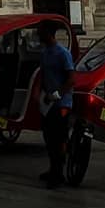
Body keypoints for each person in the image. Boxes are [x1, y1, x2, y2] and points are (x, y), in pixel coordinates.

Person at [36, 19, 76, 189]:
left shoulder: (62, 53)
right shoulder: (45, 52)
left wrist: (56, 95)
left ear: (48, 33)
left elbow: (71, 79)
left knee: (58, 138)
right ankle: (53, 168)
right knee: (48, 138)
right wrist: (40, 93)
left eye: (40, 31)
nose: (38, 34)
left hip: (61, 103)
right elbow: (43, 75)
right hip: (48, 103)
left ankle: (58, 174)